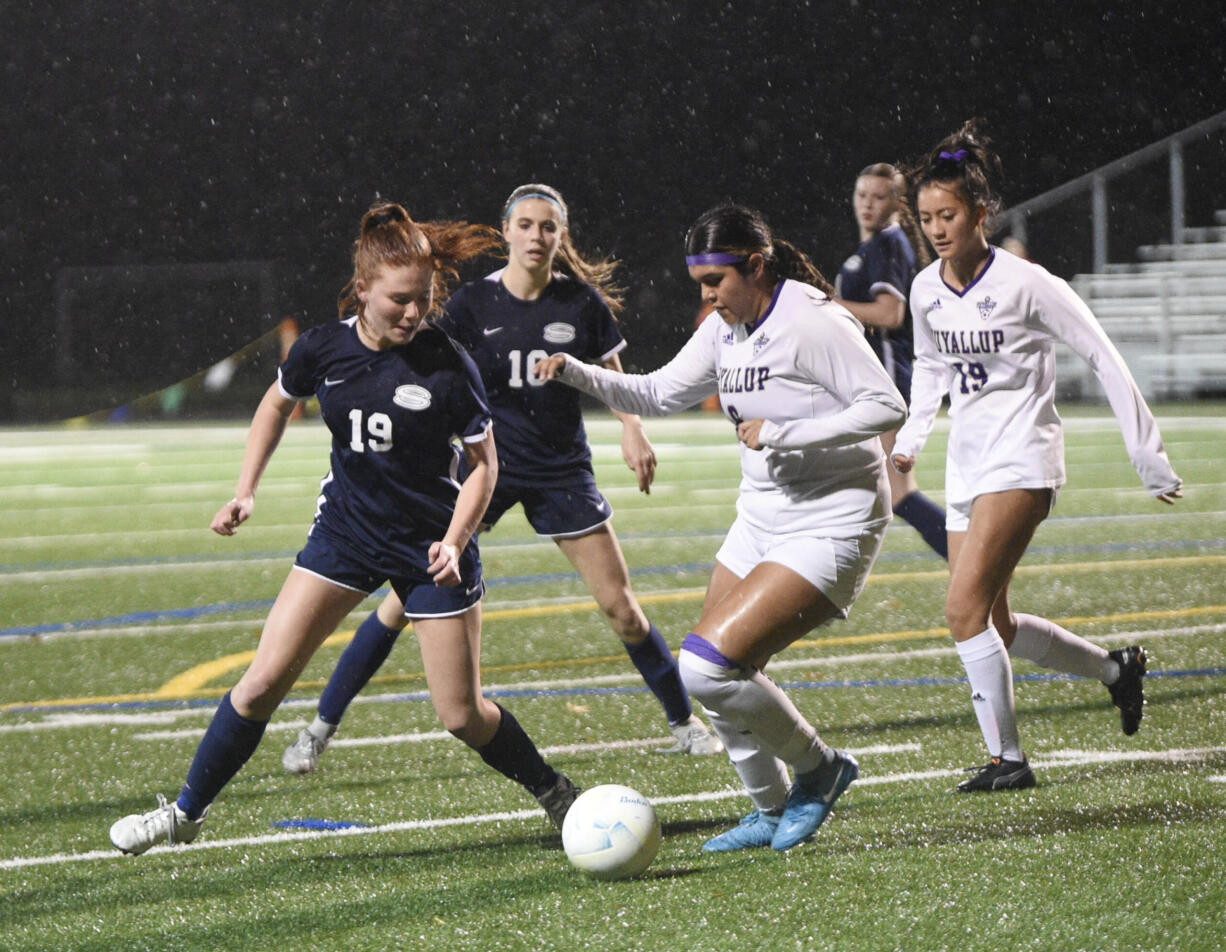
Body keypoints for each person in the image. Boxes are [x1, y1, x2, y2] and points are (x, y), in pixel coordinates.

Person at [109, 203, 580, 855]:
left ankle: (554, 790)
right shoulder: (323, 349)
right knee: (261, 683)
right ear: (362, 292)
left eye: (422, 299)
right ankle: (186, 816)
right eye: (397, 301)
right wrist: (246, 490)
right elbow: (277, 403)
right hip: (347, 534)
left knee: (461, 715)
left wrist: (458, 536)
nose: (413, 314)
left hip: (430, 550)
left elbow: (484, 467)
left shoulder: (446, 362)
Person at [281, 184, 720, 777]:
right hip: (483, 471)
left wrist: (632, 429)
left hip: (560, 469)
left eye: (549, 227)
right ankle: (319, 727)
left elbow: (614, 372)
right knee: (400, 605)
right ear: (507, 231)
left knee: (621, 607)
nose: (537, 236)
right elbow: (424, 363)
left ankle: (683, 722)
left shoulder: (581, 303)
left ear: (561, 237)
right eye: (526, 225)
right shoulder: (472, 307)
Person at [536, 203, 908, 852]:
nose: (707, 297)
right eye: (700, 284)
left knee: (708, 666)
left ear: (756, 266)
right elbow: (653, 394)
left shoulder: (812, 320)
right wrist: (572, 373)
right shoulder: (724, 329)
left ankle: (821, 769)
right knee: (709, 677)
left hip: (833, 521)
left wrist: (785, 431)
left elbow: (885, 404)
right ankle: (770, 809)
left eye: (716, 283)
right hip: (760, 517)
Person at [892, 121, 1183, 793]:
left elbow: (1102, 355)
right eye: (928, 218)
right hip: (966, 465)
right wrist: (912, 439)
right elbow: (931, 370)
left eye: (949, 215)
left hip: (1023, 459)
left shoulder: (1029, 283)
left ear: (980, 214)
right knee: (993, 621)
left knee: (962, 610)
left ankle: (1009, 760)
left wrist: (1148, 455)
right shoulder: (927, 289)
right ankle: (1118, 671)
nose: (937, 228)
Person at [834, 163, 948, 559]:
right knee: (862, 491)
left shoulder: (888, 245)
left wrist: (827, 303)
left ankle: (970, 560)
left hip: (885, 384)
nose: (867, 204)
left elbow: (889, 314)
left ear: (898, 202)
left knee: (898, 494)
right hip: (868, 385)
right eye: (861, 195)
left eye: (878, 196)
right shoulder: (871, 249)